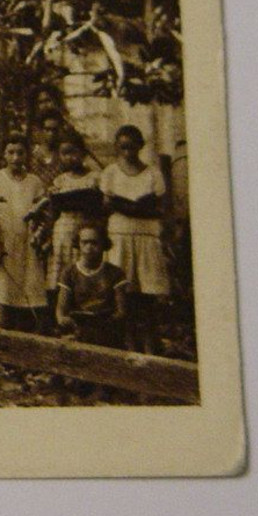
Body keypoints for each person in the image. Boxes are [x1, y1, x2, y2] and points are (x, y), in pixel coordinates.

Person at [98, 123, 169, 353]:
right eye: (122, 148)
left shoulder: (153, 173)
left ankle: (150, 348)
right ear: (117, 148)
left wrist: (126, 205)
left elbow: (159, 208)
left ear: (140, 146)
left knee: (147, 297)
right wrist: (137, 206)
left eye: (132, 147)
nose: (127, 152)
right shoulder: (110, 173)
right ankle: (128, 347)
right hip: (120, 237)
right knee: (122, 294)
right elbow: (107, 206)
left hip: (147, 238)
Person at [0, 134, 49, 331]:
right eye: (11, 152)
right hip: (4, 241)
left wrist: (39, 237)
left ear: (26, 155)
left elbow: (42, 213)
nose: (15, 158)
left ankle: (23, 343)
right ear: (4, 154)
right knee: (2, 292)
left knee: (27, 291)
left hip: (27, 244)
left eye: (20, 153)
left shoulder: (34, 182)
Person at [40, 132, 103, 308]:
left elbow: (97, 206)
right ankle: (60, 314)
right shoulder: (59, 180)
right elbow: (53, 210)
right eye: (64, 153)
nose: (70, 157)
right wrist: (46, 234)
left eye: (73, 152)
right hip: (63, 232)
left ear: (83, 153)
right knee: (61, 274)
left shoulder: (94, 177)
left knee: (84, 270)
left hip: (86, 229)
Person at [55, 221, 128, 349]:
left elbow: (121, 311)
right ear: (78, 244)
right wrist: (63, 319)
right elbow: (61, 310)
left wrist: (104, 322)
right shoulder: (69, 272)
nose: (89, 247)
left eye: (94, 243)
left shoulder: (115, 273)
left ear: (104, 244)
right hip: (78, 327)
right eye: (84, 242)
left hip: (106, 328)